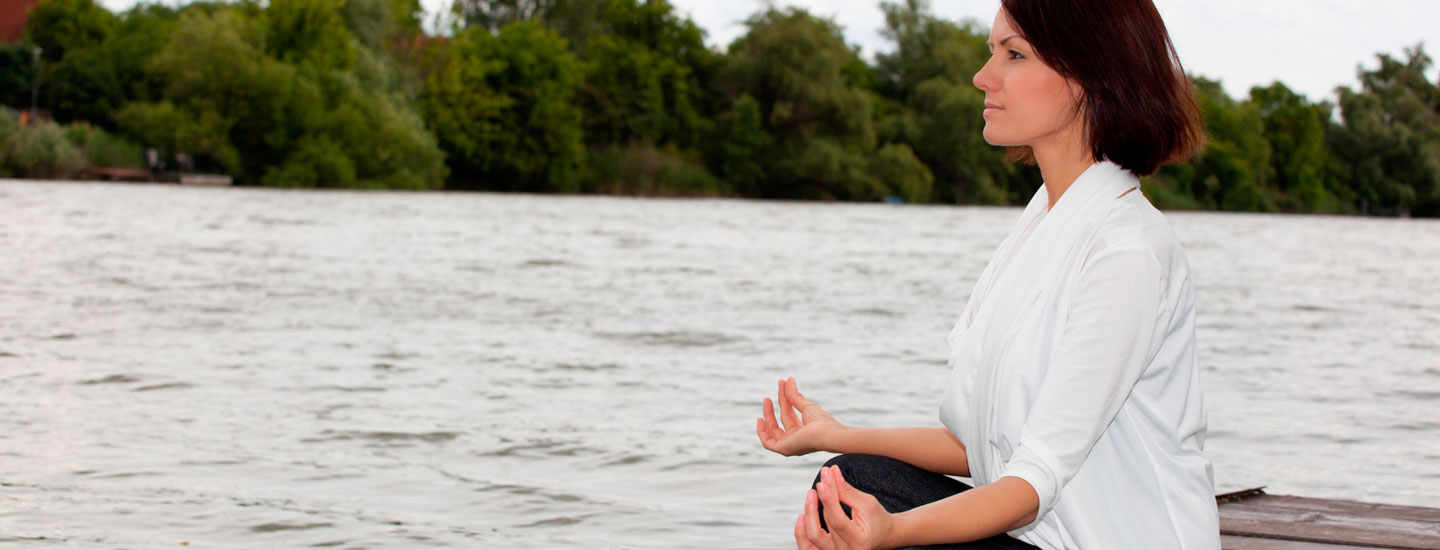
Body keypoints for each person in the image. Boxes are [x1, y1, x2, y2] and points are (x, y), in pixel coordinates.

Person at [754, 0, 1219, 548]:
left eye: (1014, 54)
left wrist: (894, 533)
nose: (983, 76)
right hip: (1044, 536)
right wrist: (835, 433)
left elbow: (1029, 484)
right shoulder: (1049, 218)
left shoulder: (1128, 251)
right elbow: (987, 448)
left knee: (859, 499)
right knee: (849, 479)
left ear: (1089, 77)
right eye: (991, 52)